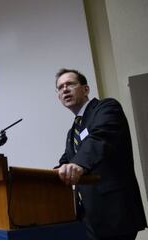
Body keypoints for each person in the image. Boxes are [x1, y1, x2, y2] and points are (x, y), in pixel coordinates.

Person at [55, 68, 147, 240]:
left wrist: (79, 164)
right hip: (90, 217)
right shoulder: (73, 131)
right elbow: (66, 161)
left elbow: (99, 138)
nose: (65, 89)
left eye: (70, 84)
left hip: (115, 213)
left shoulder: (106, 108)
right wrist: (49, 178)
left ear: (86, 89)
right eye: (60, 88)